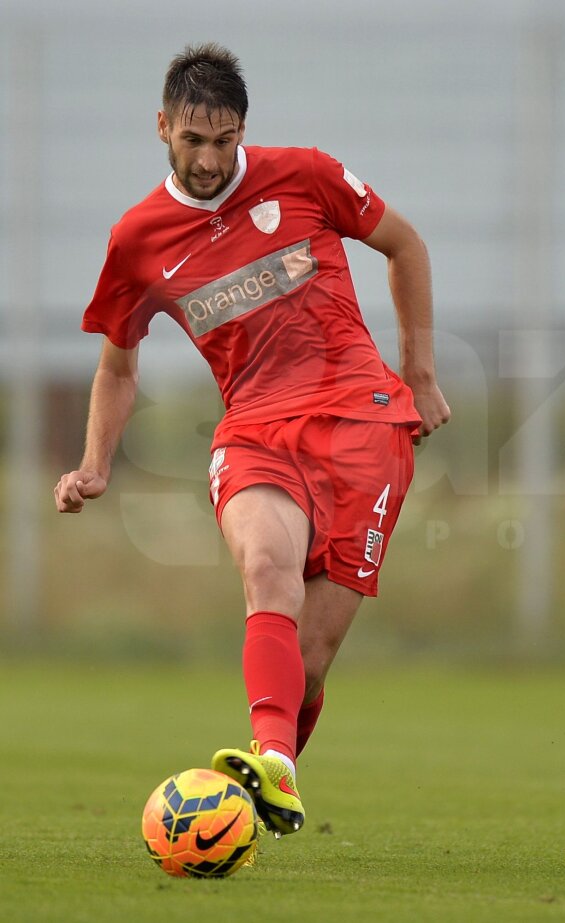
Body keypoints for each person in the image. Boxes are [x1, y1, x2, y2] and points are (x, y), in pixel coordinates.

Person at [53, 43, 450, 838]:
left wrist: (421, 372)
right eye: (193, 140)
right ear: (162, 127)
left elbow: (404, 245)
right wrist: (96, 463)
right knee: (267, 568)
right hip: (257, 430)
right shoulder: (138, 239)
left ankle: (271, 771)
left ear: (243, 131)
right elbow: (117, 366)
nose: (209, 159)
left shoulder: (305, 176)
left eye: (224, 140)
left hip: (366, 425)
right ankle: (272, 761)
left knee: (312, 656)